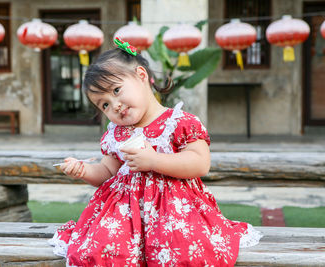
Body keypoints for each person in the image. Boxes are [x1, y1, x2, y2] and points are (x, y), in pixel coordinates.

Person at [49, 38, 263, 266]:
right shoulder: (116, 133)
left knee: (184, 252)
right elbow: (107, 171)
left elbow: (200, 163)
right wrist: (83, 170)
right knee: (102, 250)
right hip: (125, 218)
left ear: (141, 76)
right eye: (104, 105)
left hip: (174, 214)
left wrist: (154, 160)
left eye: (117, 90)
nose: (115, 105)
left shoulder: (179, 122)